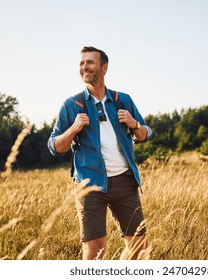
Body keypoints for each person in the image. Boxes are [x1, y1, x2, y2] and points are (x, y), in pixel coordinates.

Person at [48, 46, 153, 260]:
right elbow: (55, 146)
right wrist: (73, 129)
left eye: (90, 62)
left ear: (104, 68)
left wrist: (134, 124)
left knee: (140, 247)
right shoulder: (71, 104)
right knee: (96, 250)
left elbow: (144, 134)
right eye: (81, 63)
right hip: (90, 183)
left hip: (124, 181)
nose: (84, 67)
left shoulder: (122, 100)